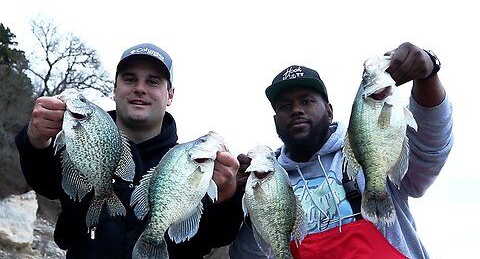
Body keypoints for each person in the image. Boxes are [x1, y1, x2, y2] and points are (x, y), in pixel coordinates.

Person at [15, 43, 244, 258]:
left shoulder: (191, 163)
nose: (140, 89)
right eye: (129, 79)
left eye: (153, 81)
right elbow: (43, 181)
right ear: (114, 89)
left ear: (170, 95)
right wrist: (34, 140)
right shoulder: (79, 139)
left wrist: (227, 197)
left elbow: (219, 235)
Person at [229, 42, 453, 259]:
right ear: (276, 121)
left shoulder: (368, 149)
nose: (296, 110)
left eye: (306, 101)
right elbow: (246, 254)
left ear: (329, 111)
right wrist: (246, 206)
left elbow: (430, 148)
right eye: (285, 106)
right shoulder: (268, 179)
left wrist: (428, 73)